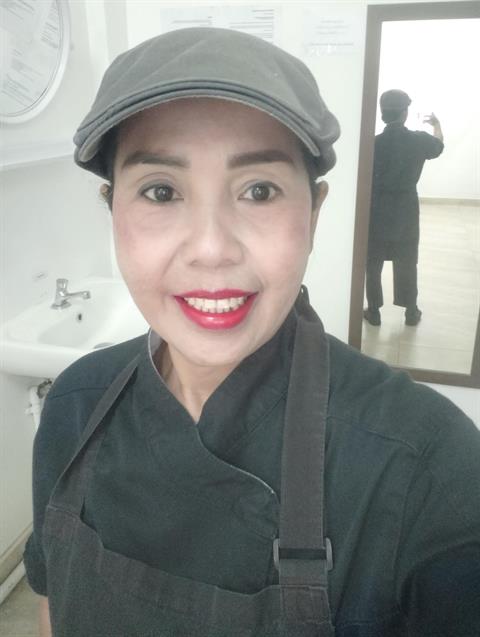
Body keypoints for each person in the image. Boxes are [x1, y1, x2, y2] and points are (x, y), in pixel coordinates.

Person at [23, 28, 480, 637]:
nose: (212, 248)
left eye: (259, 191)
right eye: (161, 191)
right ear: (112, 209)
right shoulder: (76, 405)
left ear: (314, 212)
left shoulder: (427, 465)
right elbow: (52, 603)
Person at [363, 89, 444, 327]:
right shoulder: (419, 140)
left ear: (383, 112)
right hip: (406, 208)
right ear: (405, 113)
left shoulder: (373, 144)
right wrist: (437, 125)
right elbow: (439, 145)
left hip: (377, 207)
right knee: (407, 259)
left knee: (373, 261)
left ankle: (374, 312)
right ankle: (410, 311)